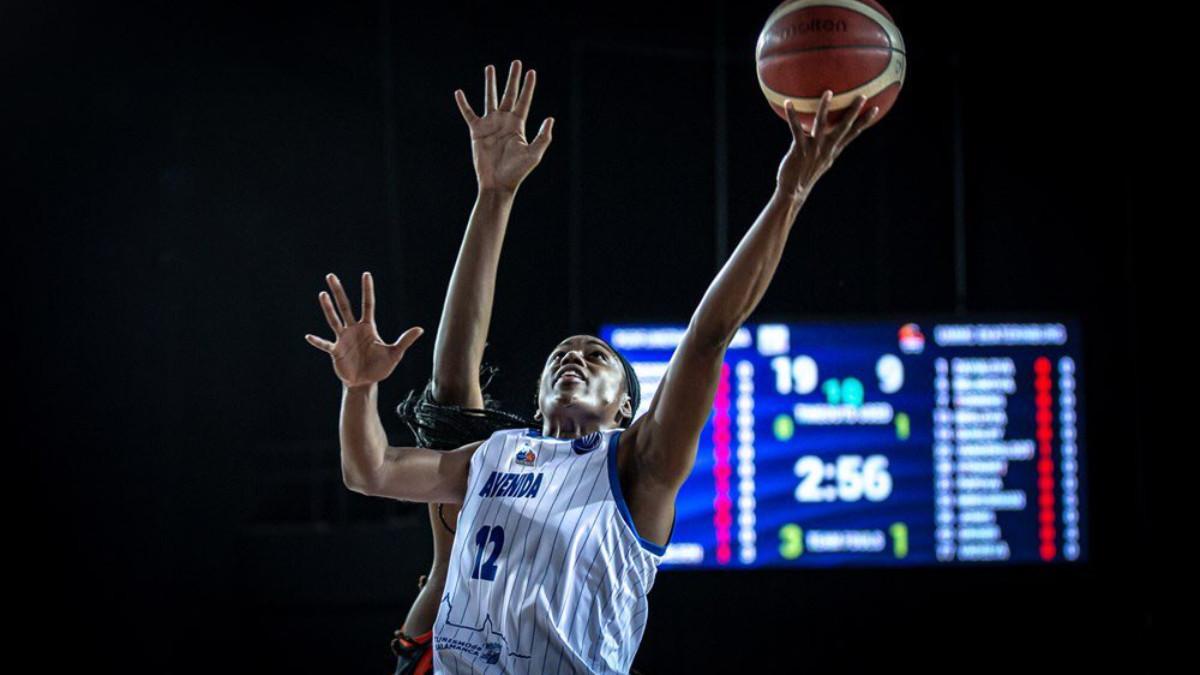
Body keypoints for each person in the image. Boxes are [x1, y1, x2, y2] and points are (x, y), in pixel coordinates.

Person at [305, 59, 878, 674]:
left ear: (625, 405)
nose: (574, 357)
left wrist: (789, 194)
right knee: (449, 404)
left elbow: (708, 335)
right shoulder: (495, 453)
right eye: (561, 355)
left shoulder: (639, 466)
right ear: (537, 397)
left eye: (596, 355)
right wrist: (358, 390)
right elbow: (370, 469)